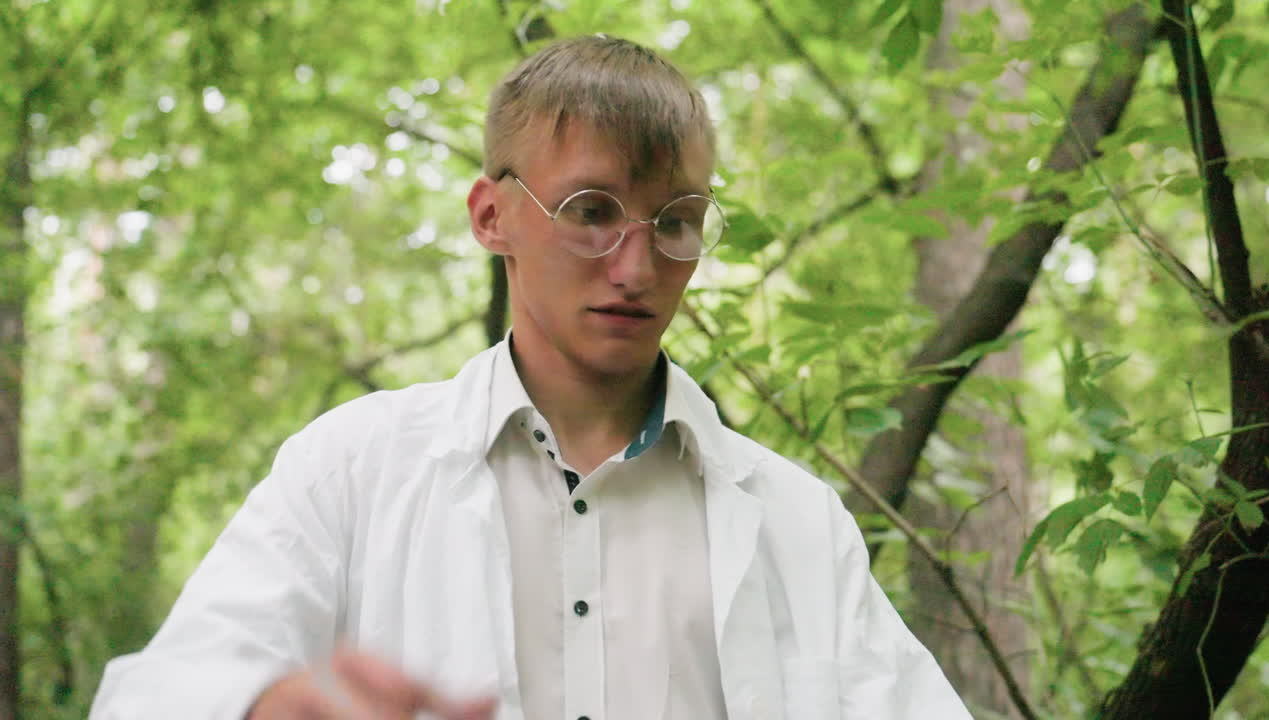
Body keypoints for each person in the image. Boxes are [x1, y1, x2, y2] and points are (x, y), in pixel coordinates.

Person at [91, 35, 971, 720]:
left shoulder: (793, 519)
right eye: (592, 212)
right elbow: (157, 693)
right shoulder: (353, 468)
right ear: (491, 215)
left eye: (677, 220)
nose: (636, 266)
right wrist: (258, 708)